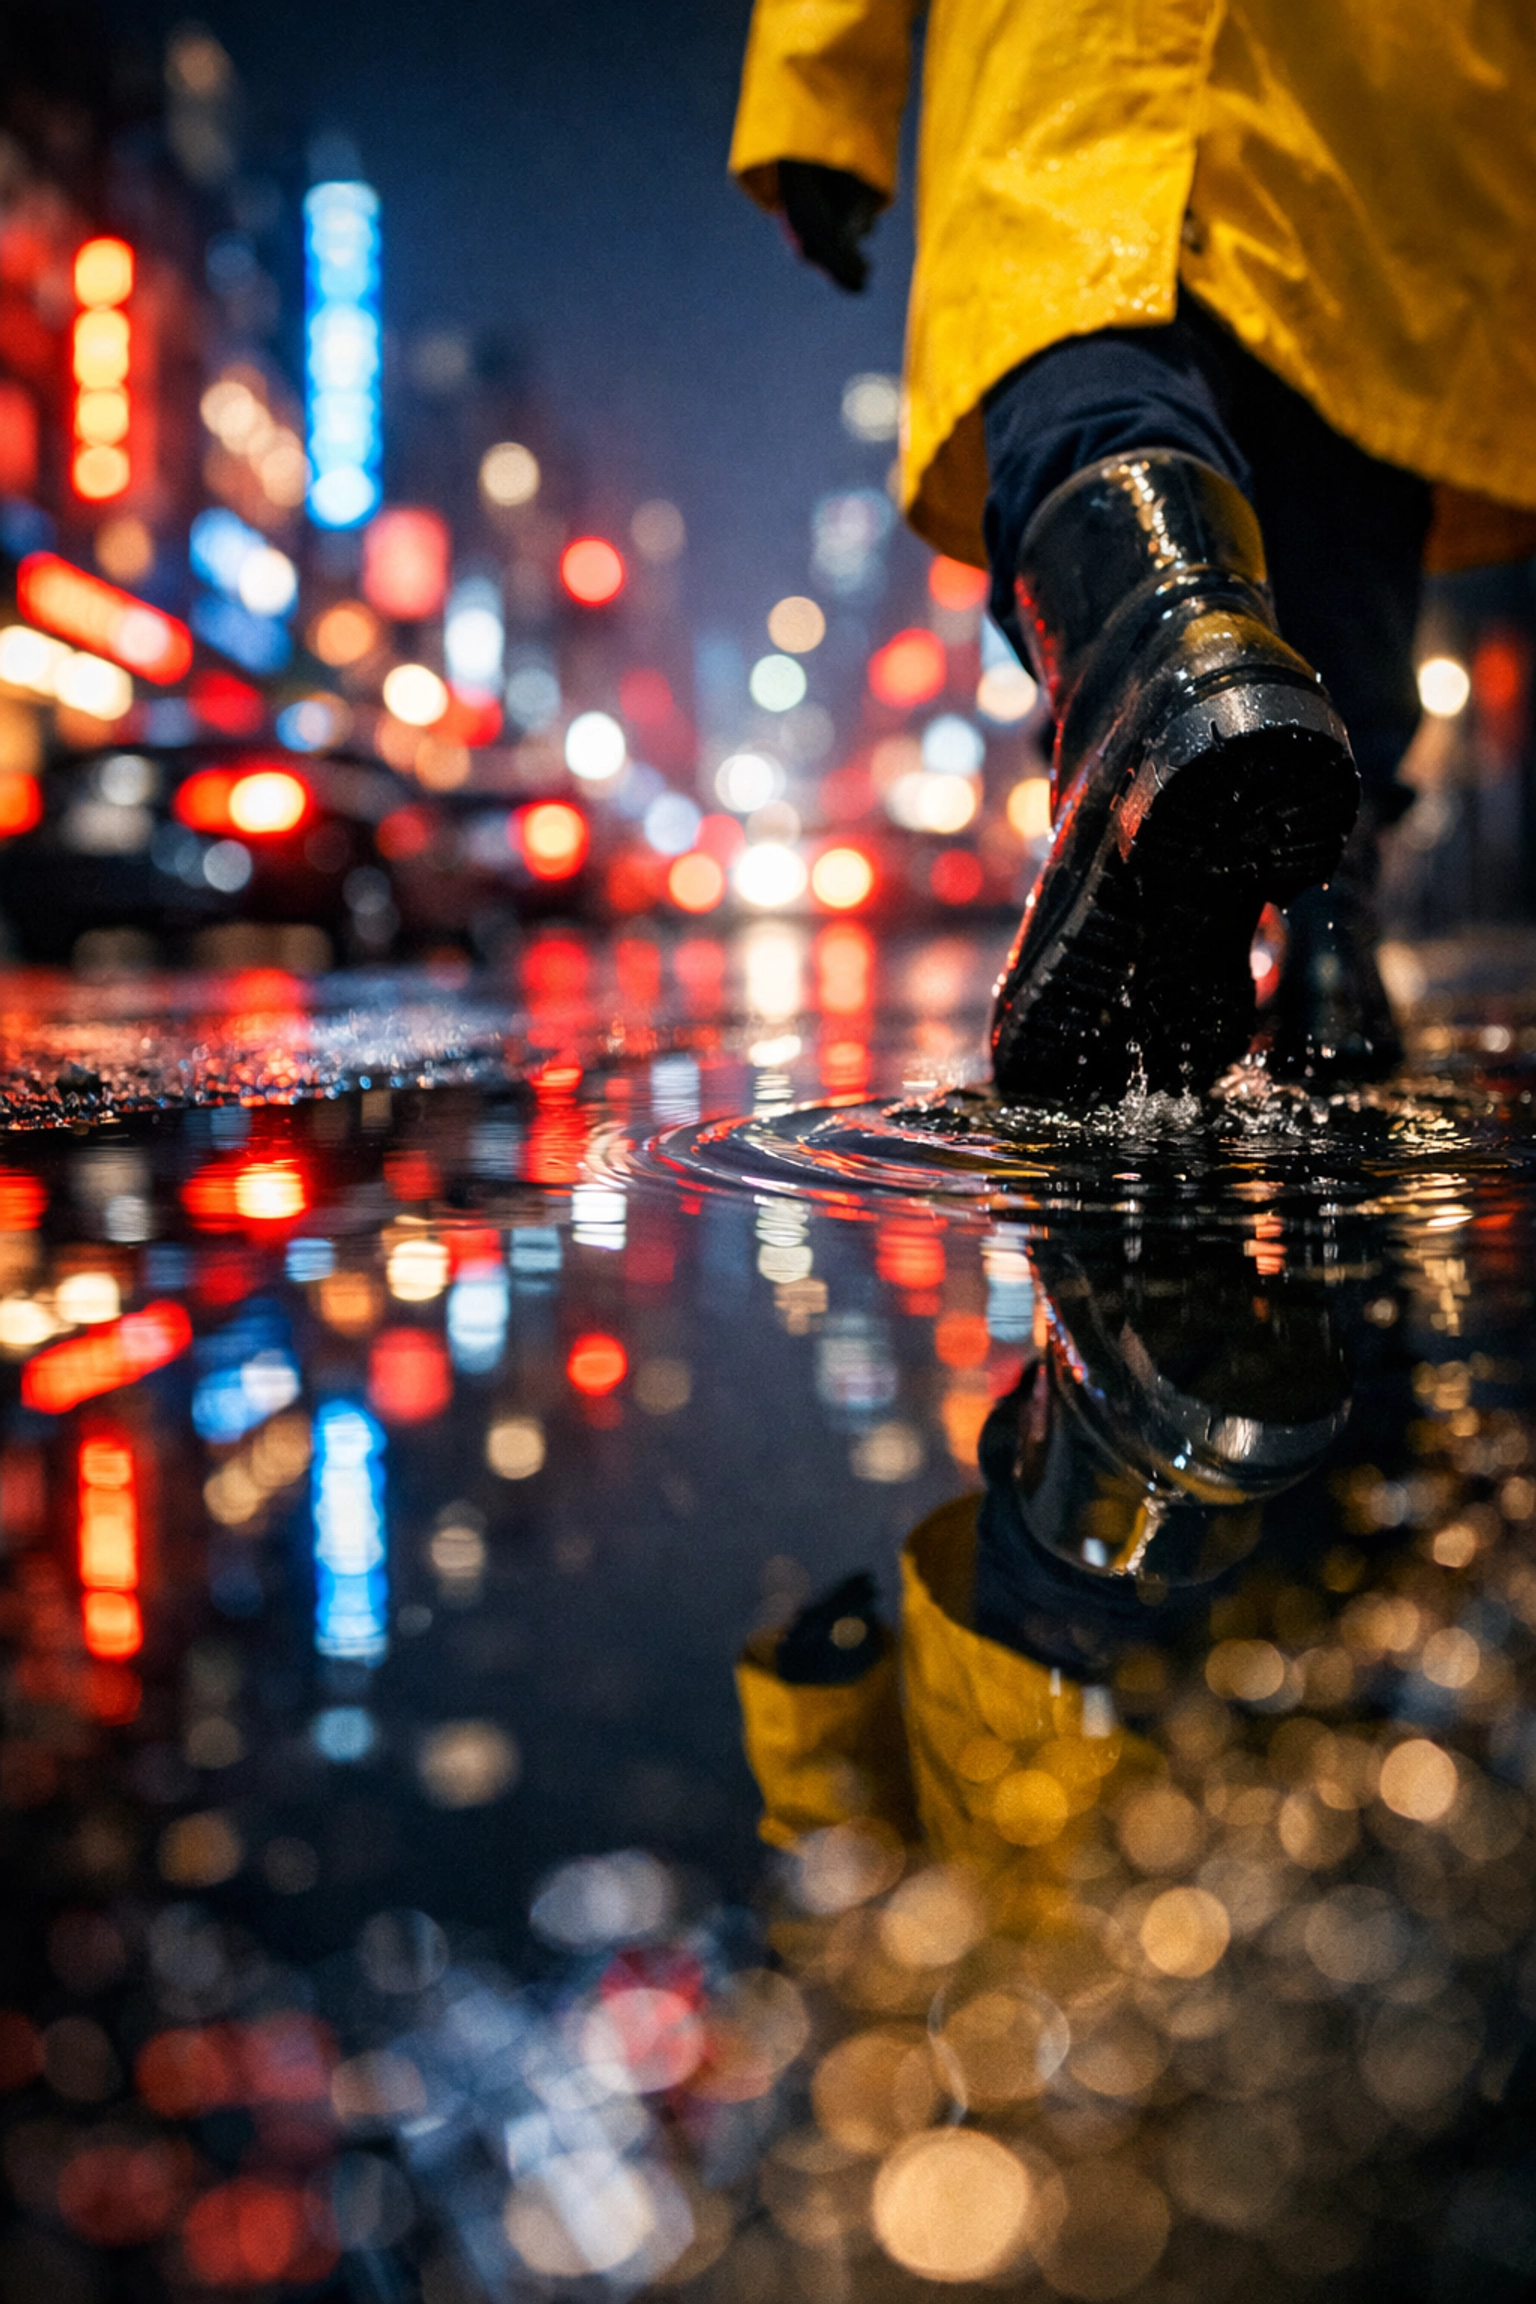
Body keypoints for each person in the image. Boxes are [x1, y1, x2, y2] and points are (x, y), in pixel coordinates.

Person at [731, 3, 1536, 1102]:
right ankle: (1332, 940)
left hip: (1085, 49)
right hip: (1400, 89)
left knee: (1091, 356)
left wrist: (816, 86)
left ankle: (1164, 685)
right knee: (1347, 488)